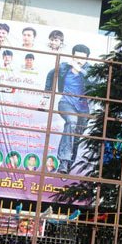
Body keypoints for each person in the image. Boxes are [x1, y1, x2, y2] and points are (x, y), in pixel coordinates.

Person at [43, 44, 91, 173]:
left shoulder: (89, 70)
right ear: (72, 56)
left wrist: (80, 70)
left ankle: (69, 165)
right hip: (66, 103)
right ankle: (63, 162)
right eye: (76, 57)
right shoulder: (64, 67)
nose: (79, 60)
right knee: (72, 122)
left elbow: (94, 81)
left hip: (83, 108)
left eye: (82, 58)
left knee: (77, 136)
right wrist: (47, 94)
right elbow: (51, 74)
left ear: (87, 59)